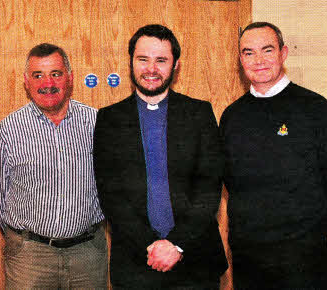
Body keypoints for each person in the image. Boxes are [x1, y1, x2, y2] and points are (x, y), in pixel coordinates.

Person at [220, 22, 327, 289]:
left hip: (302, 257)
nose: (258, 60)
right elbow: (230, 181)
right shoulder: (232, 116)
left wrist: (317, 230)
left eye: (267, 50)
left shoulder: (315, 108)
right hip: (249, 256)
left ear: (283, 53)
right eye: (248, 53)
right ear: (240, 59)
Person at [93, 24, 227, 289]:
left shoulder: (199, 113)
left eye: (161, 60)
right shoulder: (109, 119)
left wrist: (176, 245)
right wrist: (151, 246)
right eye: (143, 59)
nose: (151, 69)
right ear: (131, 61)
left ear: (175, 65)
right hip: (135, 264)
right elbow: (111, 195)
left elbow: (209, 188)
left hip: (196, 262)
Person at [0, 43, 107, 289]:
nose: (47, 83)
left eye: (56, 74)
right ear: (26, 81)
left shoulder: (98, 125)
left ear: (70, 78)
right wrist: (24, 241)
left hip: (88, 254)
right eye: (38, 75)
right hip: (30, 258)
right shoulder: (6, 132)